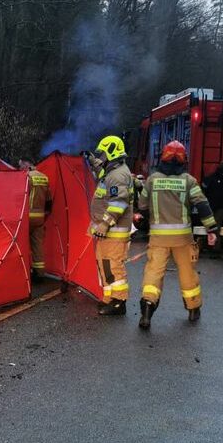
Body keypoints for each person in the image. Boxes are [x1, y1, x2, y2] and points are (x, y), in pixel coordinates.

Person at [137, 141, 219, 329]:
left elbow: (142, 205)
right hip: (183, 239)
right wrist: (211, 229)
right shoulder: (189, 181)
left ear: (163, 157)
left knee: (153, 273)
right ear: (184, 160)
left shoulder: (152, 180)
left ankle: (147, 310)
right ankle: (193, 309)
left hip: (158, 238)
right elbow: (202, 205)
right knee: (187, 273)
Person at [88, 135, 134, 316]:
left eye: (103, 154)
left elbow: (119, 203)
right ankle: (109, 298)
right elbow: (102, 174)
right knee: (105, 264)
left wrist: (105, 224)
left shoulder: (118, 175)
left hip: (113, 231)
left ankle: (118, 302)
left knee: (113, 266)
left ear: (111, 152)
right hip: (109, 232)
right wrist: (93, 162)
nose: (101, 157)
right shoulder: (112, 171)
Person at [19, 157, 52, 280]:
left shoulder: (25, 177)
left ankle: (23, 272)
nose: (20, 168)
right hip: (40, 217)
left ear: (27, 164)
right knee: (37, 245)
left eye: (21, 165)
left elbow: (20, 196)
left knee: (21, 244)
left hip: (26, 216)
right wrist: (46, 213)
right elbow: (49, 199)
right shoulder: (44, 177)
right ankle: (39, 273)